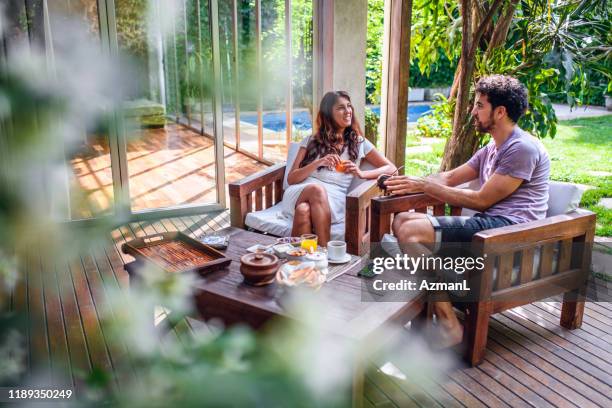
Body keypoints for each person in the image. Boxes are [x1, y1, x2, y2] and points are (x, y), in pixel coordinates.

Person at [384, 75, 551, 347]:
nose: (473, 111)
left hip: (511, 235)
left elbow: (483, 200)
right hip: (490, 228)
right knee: (401, 219)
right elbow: (448, 179)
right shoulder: (491, 148)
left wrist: (424, 185)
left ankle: (448, 322)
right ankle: (437, 300)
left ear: (500, 112)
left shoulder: (522, 148)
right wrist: (408, 183)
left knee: (412, 233)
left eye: (479, 105)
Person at [283, 91, 396, 247]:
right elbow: (292, 178)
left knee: (303, 211)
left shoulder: (359, 142)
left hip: (334, 200)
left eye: (349, 106)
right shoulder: (311, 140)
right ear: (328, 113)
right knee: (316, 189)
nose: (348, 111)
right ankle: (325, 251)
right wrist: (318, 163)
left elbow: (391, 168)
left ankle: (301, 260)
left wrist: (362, 173)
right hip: (300, 192)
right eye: (341, 108)